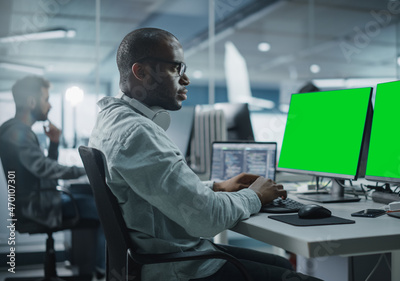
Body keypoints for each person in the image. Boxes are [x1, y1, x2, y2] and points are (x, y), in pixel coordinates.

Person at [88, 28, 322, 281]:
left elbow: (153, 188)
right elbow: (207, 220)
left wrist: (217, 186)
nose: (185, 79)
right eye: (176, 69)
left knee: (278, 261)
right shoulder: (138, 133)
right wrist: (255, 195)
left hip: (158, 256)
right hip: (177, 268)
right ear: (140, 72)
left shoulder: (111, 120)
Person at [0, 75, 105, 277]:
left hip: (38, 201)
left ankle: (92, 268)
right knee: (101, 208)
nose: (50, 106)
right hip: (37, 207)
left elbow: (43, 173)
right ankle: (99, 269)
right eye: (46, 99)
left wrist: (55, 143)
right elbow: (45, 169)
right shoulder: (16, 133)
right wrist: (88, 169)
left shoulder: (17, 131)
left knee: (92, 200)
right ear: (32, 102)